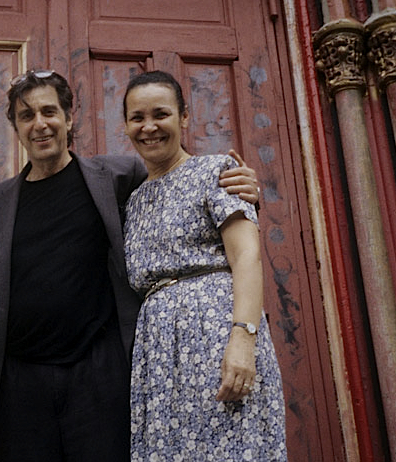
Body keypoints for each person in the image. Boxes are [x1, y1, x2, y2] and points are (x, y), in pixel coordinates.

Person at [0, 69, 260, 462]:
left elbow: (182, 180)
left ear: (69, 118)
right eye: (26, 115)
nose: (40, 124)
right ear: (15, 127)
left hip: (98, 374)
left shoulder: (120, 176)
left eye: (49, 111)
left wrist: (243, 189)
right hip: (21, 382)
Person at [122, 70, 286, 461]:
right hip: (159, 355)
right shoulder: (134, 199)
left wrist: (243, 341)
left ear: (183, 117)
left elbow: (246, 255)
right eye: (137, 118)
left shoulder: (217, 173)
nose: (149, 127)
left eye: (160, 114)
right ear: (126, 126)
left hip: (216, 340)